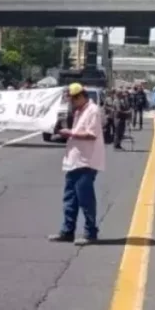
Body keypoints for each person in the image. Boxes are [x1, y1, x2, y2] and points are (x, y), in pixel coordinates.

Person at [49, 83, 105, 245]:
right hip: (74, 160)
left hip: (86, 161)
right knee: (70, 199)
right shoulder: (79, 111)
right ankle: (67, 231)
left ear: (80, 96)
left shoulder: (92, 111)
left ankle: (90, 232)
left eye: (73, 100)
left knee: (85, 199)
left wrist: (70, 133)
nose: (71, 103)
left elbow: (91, 134)